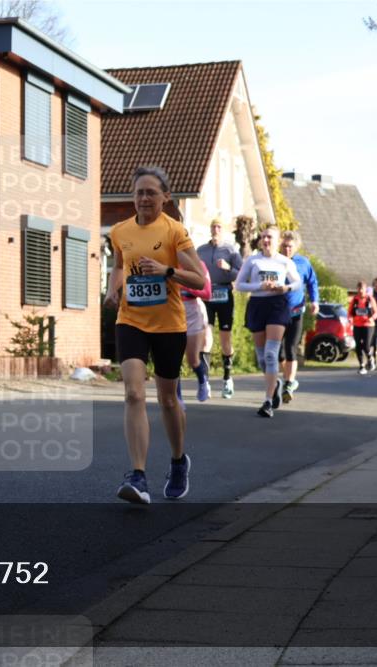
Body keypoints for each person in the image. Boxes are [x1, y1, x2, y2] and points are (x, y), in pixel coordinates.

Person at [105, 166, 205, 503]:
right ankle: (138, 476)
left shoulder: (175, 231)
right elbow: (119, 265)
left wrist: (167, 271)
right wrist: (111, 289)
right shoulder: (119, 231)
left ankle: (178, 461)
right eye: (139, 192)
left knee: (167, 399)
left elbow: (200, 280)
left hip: (169, 324)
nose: (144, 198)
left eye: (151, 192)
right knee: (134, 393)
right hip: (131, 320)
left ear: (166, 197)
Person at [234, 225, 302, 418]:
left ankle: (267, 401)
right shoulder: (253, 260)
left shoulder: (284, 261)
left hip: (277, 306)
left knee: (272, 354)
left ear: (278, 240)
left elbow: (297, 282)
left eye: (270, 237)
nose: (266, 240)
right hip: (257, 305)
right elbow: (239, 285)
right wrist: (260, 285)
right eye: (263, 237)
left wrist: (285, 288)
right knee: (262, 358)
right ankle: (276, 383)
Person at [196, 220, 242, 399]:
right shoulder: (201, 251)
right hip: (207, 295)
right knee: (206, 338)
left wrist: (228, 267)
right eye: (213, 227)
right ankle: (205, 382)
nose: (215, 230)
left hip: (224, 294)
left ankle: (227, 379)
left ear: (223, 230)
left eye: (219, 227)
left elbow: (242, 272)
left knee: (225, 340)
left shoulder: (230, 250)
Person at [278, 230, 318, 403]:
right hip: (277, 312)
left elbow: (312, 282)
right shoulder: (275, 261)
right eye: (285, 246)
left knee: (291, 347)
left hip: (296, 311)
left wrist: (315, 301)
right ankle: (285, 378)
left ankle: (288, 383)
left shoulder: (303, 263)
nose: (287, 249)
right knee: (278, 352)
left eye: (290, 247)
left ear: (296, 247)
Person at [177, 259, 213, 404]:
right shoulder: (165, 262)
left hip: (192, 312)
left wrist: (185, 286)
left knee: (192, 359)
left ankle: (203, 381)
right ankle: (177, 398)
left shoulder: (198, 265)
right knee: (174, 359)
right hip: (172, 312)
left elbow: (207, 293)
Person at [348, 281, 377, 375]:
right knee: (358, 346)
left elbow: (376, 312)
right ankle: (362, 366)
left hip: (368, 325)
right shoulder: (355, 299)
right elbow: (350, 312)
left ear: (365, 289)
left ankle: (370, 359)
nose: (360, 290)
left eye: (362, 288)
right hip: (357, 325)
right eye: (359, 288)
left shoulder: (370, 299)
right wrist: (350, 319)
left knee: (366, 346)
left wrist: (372, 318)